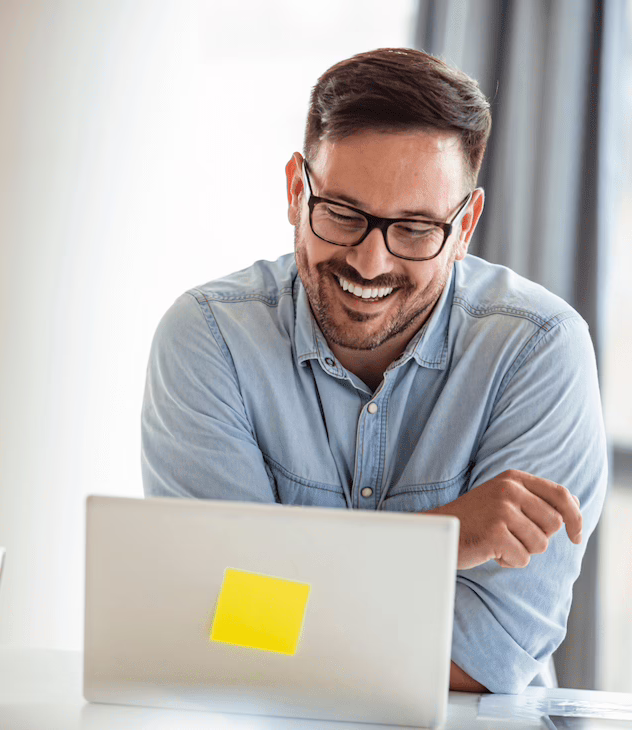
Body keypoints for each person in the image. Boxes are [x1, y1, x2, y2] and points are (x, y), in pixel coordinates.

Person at [141, 48, 607, 695]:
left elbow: (483, 658)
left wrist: (280, 603)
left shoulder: (540, 352)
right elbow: (218, 620)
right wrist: (444, 537)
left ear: (465, 225)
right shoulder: (209, 341)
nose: (369, 261)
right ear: (295, 191)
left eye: (415, 229)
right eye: (343, 214)